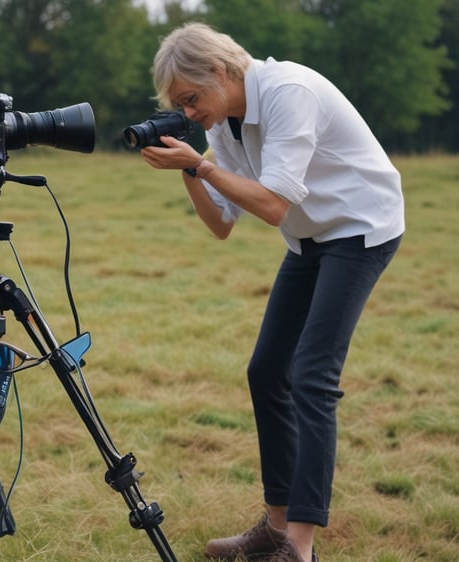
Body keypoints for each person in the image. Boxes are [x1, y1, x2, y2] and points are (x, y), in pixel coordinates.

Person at [141, 22, 404, 562]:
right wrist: (192, 171)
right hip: (310, 239)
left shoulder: (289, 93)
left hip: (359, 228)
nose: (189, 112)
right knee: (266, 370)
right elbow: (223, 224)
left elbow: (273, 205)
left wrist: (201, 165)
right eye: (180, 105)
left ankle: (299, 548)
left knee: (312, 376)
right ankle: (276, 524)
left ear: (219, 72)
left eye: (191, 99)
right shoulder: (222, 124)